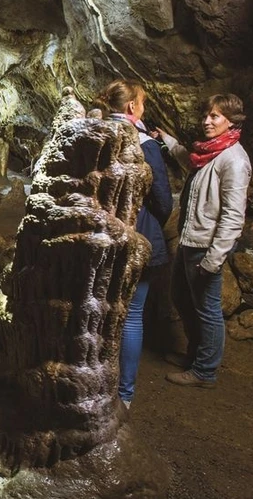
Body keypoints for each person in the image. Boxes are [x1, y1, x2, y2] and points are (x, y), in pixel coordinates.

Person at [158, 93, 251, 389]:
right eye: (206, 115)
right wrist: (168, 140)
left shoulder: (234, 161)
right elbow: (189, 161)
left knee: (207, 309)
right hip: (190, 240)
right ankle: (195, 356)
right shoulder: (208, 153)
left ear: (231, 122)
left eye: (215, 116)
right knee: (182, 298)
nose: (206, 121)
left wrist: (214, 259)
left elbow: (234, 218)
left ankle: (205, 371)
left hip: (205, 248)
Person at [94, 79, 173, 409]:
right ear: (131, 107)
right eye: (141, 103)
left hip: (98, 237)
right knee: (132, 315)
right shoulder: (144, 144)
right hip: (135, 236)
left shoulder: (93, 134)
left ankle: (93, 384)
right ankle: (123, 395)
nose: (143, 108)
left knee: (97, 310)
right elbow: (163, 201)